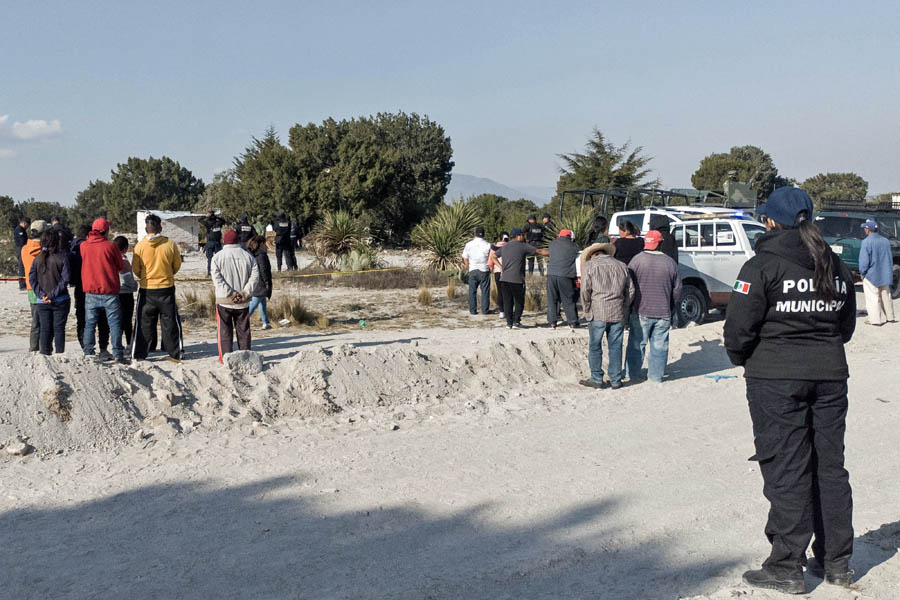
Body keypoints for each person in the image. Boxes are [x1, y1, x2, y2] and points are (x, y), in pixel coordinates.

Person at [723, 187, 856, 594]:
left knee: (787, 468)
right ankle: (836, 562)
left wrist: (747, 359)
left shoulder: (761, 265)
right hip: (830, 375)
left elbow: (738, 331)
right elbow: (845, 326)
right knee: (829, 467)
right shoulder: (834, 263)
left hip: (776, 379)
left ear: (769, 221)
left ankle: (786, 563)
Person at [624, 230, 681, 383]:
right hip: (663, 311)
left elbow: (628, 286)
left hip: (641, 310)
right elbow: (677, 290)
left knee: (637, 344)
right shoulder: (670, 262)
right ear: (661, 244)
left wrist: (630, 305)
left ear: (646, 243)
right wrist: (670, 306)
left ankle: (632, 374)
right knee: (659, 346)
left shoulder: (636, 261)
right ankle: (655, 377)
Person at [579, 242, 634, 389]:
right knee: (616, 347)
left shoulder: (590, 266)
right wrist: (624, 306)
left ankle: (597, 378)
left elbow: (585, 291)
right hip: (617, 311)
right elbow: (631, 291)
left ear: (593, 254)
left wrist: (587, 310)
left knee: (595, 346)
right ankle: (616, 379)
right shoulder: (622, 265)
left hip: (597, 311)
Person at [132, 214, 184, 362]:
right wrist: (167, 274)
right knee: (170, 322)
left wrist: (145, 277)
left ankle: (142, 352)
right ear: (160, 227)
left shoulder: (139, 246)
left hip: (147, 289)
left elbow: (136, 268)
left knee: (144, 322)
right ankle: (174, 352)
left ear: (145, 228)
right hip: (166, 287)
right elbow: (176, 265)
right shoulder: (170, 244)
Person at [80, 218, 127, 364]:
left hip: (91, 291)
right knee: (114, 323)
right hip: (109, 290)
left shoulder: (84, 246)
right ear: (105, 231)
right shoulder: (111, 246)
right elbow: (119, 265)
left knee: (90, 323)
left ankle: (88, 353)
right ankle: (118, 354)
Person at [212, 229, 259, 361]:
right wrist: (244, 293)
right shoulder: (248, 256)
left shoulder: (217, 257)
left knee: (224, 332)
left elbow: (217, 279)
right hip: (243, 302)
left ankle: (226, 359)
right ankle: (246, 359)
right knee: (244, 331)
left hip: (224, 301)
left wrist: (231, 294)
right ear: (238, 240)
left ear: (224, 241)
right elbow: (255, 277)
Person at [495, 228, 549, 328]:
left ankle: (509, 323)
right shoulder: (522, 246)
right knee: (519, 301)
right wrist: (552, 252)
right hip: (517, 279)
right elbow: (539, 251)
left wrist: (500, 266)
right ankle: (516, 321)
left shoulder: (505, 247)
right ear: (518, 236)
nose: (523, 237)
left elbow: (494, 256)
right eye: (522, 235)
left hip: (504, 279)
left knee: (508, 302)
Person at [29, 229, 70, 356]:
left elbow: (32, 279)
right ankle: (59, 355)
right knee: (58, 329)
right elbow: (65, 280)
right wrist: (51, 295)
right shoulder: (62, 257)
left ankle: (45, 355)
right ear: (57, 241)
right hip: (60, 299)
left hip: (43, 301)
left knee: (45, 330)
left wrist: (42, 295)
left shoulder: (37, 259)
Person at [70, 224, 109, 355]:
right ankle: (103, 348)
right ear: (88, 235)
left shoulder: (72, 249)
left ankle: (85, 348)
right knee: (101, 318)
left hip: (79, 288)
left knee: (82, 319)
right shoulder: (88, 248)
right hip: (93, 286)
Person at [858, 219, 895, 326]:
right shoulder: (886, 241)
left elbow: (864, 261)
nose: (864, 229)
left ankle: (875, 320)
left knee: (872, 297)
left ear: (868, 230)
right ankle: (890, 317)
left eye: (865, 228)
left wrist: (862, 273)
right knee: (886, 296)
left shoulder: (866, 242)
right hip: (885, 273)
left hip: (871, 275)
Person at [21, 219, 46, 352]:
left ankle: (33, 347)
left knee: (35, 320)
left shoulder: (24, 249)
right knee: (44, 320)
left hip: (31, 287)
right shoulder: (44, 250)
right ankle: (44, 348)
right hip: (45, 286)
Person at [546, 229, 580, 328]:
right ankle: (572, 322)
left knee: (552, 299)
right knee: (568, 299)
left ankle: (552, 322)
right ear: (570, 237)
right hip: (565, 275)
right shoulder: (574, 246)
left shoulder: (552, 244)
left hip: (551, 274)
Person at [462, 226, 492, 315]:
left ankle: (473, 310)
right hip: (484, 269)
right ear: (484, 234)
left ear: (475, 234)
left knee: (472, 291)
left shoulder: (469, 244)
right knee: (485, 291)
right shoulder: (488, 245)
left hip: (473, 269)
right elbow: (490, 258)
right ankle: (485, 310)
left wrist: (468, 267)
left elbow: (465, 257)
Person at [114, 236, 138, 347]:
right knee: (127, 321)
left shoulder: (111, 258)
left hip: (114, 293)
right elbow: (128, 278)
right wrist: (135, 286)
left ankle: (117, 345)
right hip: (125, 293)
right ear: (125, 248)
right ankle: (129, 344)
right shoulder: (123, 260)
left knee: (117, 321)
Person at [246, 235, 273, 330]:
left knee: (262, 303)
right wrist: (267, 283)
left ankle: (265, 322)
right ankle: (242, 321)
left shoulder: (253, 254)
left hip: (256, 282)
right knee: (254, 304)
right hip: (260, 283)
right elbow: (264, 270)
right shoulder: (261, 256)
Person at [488, 232, 509, 319]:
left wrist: (492, 269)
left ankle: (502, 311)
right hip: (508, 272)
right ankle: (509, 310)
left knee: (500, 292)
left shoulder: (494, 247)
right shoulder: (510, 246)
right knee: (508, 292)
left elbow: (490, 261)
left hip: (497, 272)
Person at [199, 211, 226, 277]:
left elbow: (199, 220)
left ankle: (209, 273)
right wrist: (216, 216)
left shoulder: (208, 223)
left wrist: (206, 216)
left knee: (210, 258)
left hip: (210, 243)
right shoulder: (219, 223)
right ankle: (219, 272)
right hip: (217, 243)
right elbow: (224, 220)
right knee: (218, 259)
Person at [14, 217, 30, 290]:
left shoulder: (22, 229)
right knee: (22, 267)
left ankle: (24, 283)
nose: (28, 227)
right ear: (24, 223)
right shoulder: (19, 229)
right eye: (27, 225)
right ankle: (22, 284)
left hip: (23, 248)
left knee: (24, 266)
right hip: (21, 248)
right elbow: (22, 241)